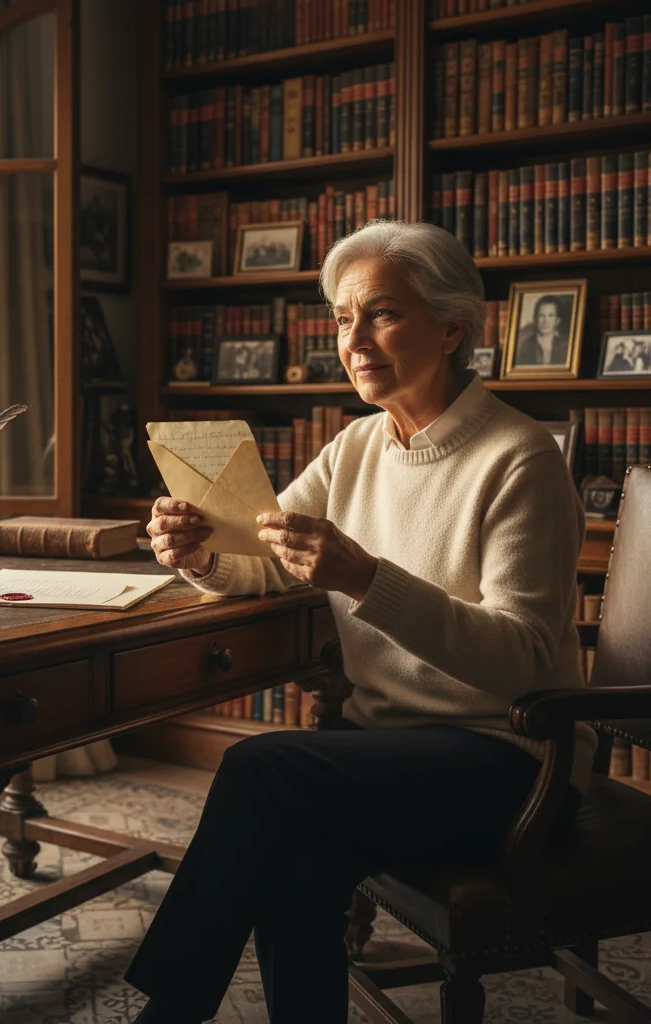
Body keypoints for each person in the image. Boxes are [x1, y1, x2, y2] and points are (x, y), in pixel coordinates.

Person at [126, 220, 594, 1024]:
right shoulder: (354, 448)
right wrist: (200, 555)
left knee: (257, 771)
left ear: (451, 326)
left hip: (513, 763)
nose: (355, 339)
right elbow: (269, 557)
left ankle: (168, 1016)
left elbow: (522, 661)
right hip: (390, 749)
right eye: (344, 319)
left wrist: (365, 579)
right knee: (295, 857)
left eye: (381, 313)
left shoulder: (521, 459)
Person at [513, 294, 570, 366]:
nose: (545, 321)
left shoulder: (565, 347)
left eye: (550, 316)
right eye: (541, 316)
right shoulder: (526, 346)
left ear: (557, 320)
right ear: (535, 318)